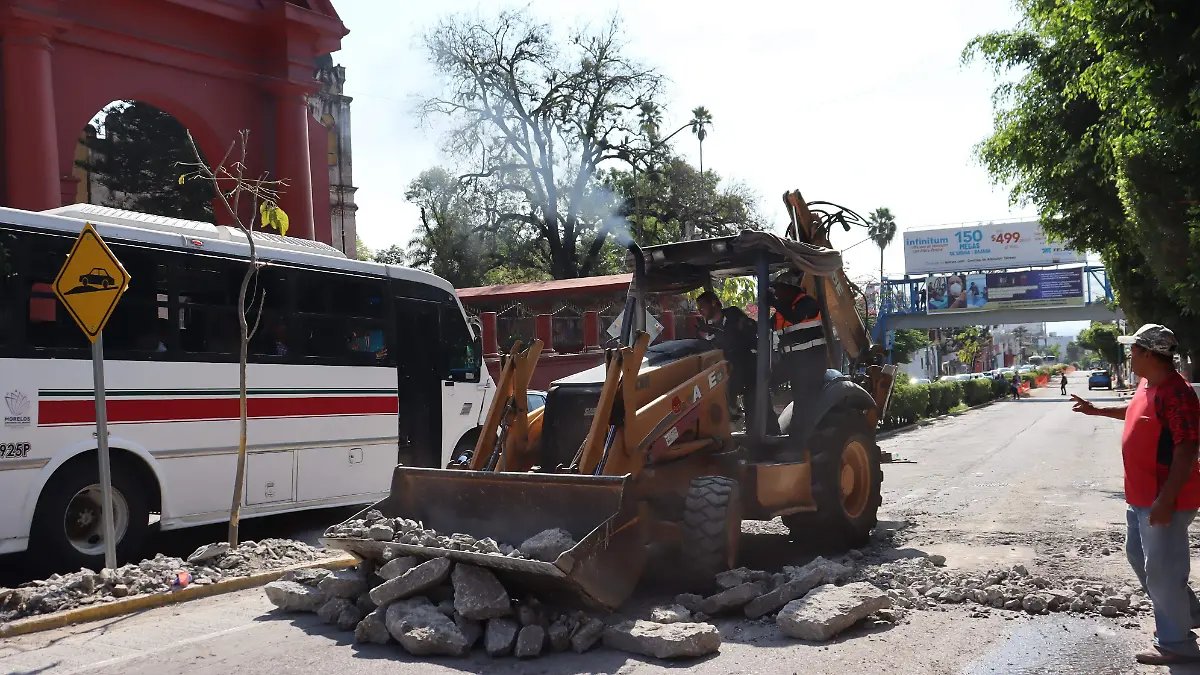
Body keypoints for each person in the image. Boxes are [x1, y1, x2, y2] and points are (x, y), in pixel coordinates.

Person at [1071, 324, 1200, 665]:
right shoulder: (1149, 385)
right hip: (1142, 496)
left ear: (1148, 354)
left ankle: (1177, 643)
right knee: (1138, 557)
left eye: (1133, 351)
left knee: (1163, 571)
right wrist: (1096, 410)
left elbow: (1187, 449)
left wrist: (1165, 500)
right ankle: (1187, 613)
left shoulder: (1177, 393)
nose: (1130, 357)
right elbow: (1134, 414)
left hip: (1163, 499)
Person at [695, 291, 776, 433]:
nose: (699, 311)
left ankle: (773, 438)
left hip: (751, 369)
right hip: (733, 372)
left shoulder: (733, 315)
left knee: (759, 406)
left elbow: (743, 338)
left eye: (702, 306)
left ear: (714, 303)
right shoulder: (709, 328)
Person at [769, 272, 826, 436]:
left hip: (812, 363)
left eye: (778, 289)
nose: (776, 294)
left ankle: (801, 440)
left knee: (803, 402)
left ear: (790, 289)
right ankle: (772, 430)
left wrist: (773, 302)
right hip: (793, 363)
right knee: (763, 381)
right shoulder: (782, 312)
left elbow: (795, 317)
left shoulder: (807, 304)